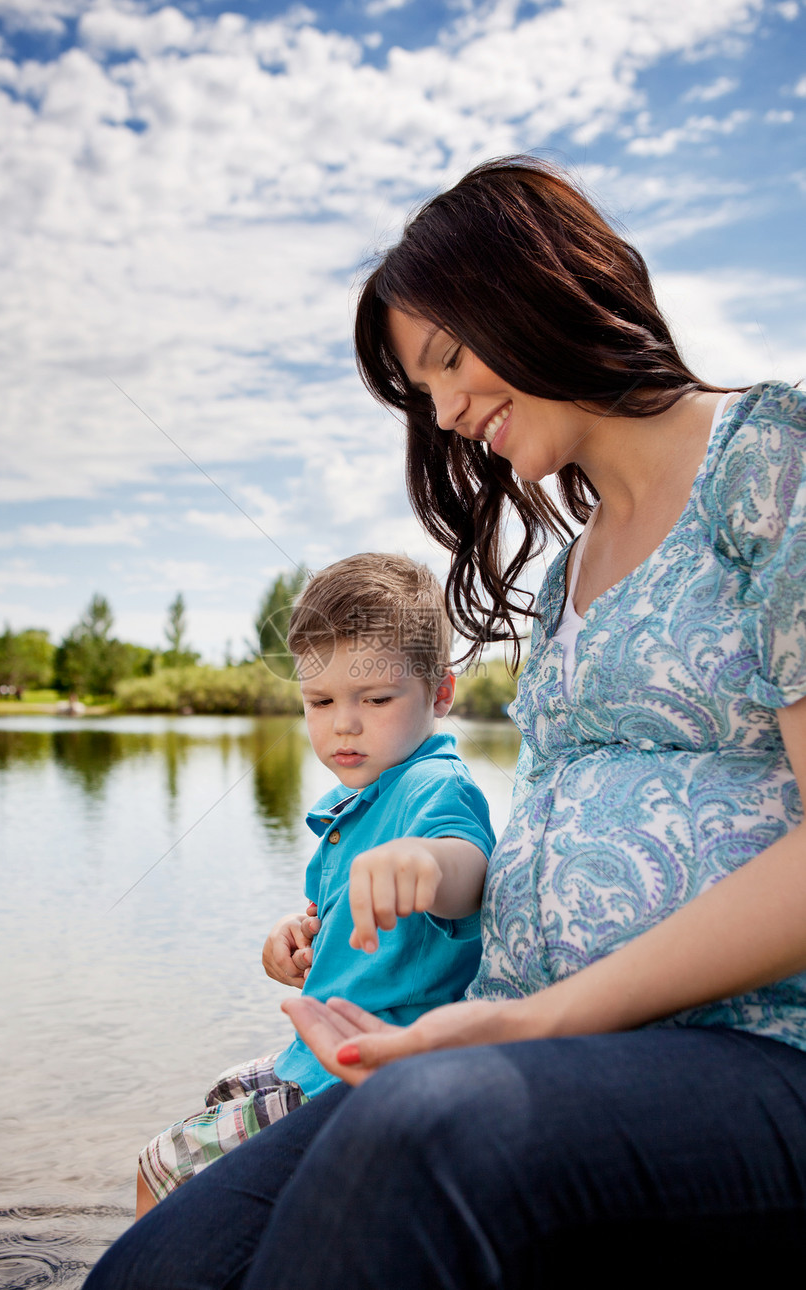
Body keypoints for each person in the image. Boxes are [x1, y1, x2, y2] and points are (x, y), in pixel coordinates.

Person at [85, 156, 806, 1288]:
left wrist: (539, 1025)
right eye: (423, 394)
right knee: (163, 1261)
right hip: (528, 1039)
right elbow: (547, 848)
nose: (449, 414)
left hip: (761, 1053)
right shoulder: (561, 578)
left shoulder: (768, 460)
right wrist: (448, 924)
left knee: (425, 1136)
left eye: (449, 361)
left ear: (545, 286)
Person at [134, 552, 493, 1218]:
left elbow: (467, 873)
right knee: (222, 1093)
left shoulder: (432, 786)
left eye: (376, 699)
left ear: (440, 694)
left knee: (164, 1165)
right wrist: (295, 940)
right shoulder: (356, 801)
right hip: (319, 1048)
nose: (343, 723)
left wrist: (430, 864)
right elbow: (339, 923)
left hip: (373, 1064)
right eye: (320, 701)